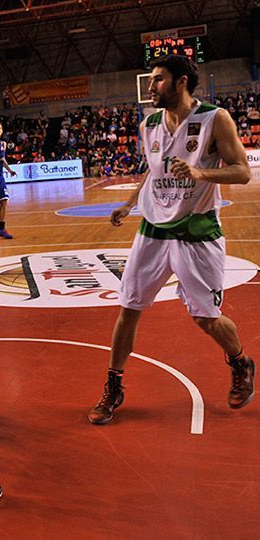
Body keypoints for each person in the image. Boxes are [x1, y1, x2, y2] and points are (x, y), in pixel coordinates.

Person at [88, 55, 254, 425]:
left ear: (181, 82)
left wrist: (198, 171)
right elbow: (154, 168)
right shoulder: (149, 124)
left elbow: (242, 171)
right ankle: (114, 385)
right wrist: (130, 204)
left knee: (206, 319)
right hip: (152, 230)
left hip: (196, 231)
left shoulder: (214, 118)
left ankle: (240, 361)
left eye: (158, 80)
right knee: (129, 308)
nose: (150, 88)